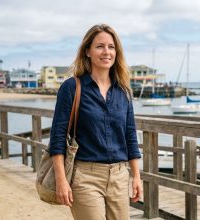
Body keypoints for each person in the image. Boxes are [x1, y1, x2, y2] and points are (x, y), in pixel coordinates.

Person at [49, 24, 142, 220]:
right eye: (100, 46)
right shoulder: (71, 88)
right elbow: (57, 138)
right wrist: (61, 180)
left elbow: (130, 136)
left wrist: (136, 176)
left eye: (111, 46)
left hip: (119, 176)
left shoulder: (123, 91)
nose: (106, 52)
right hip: (85, 177)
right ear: (87, 51)